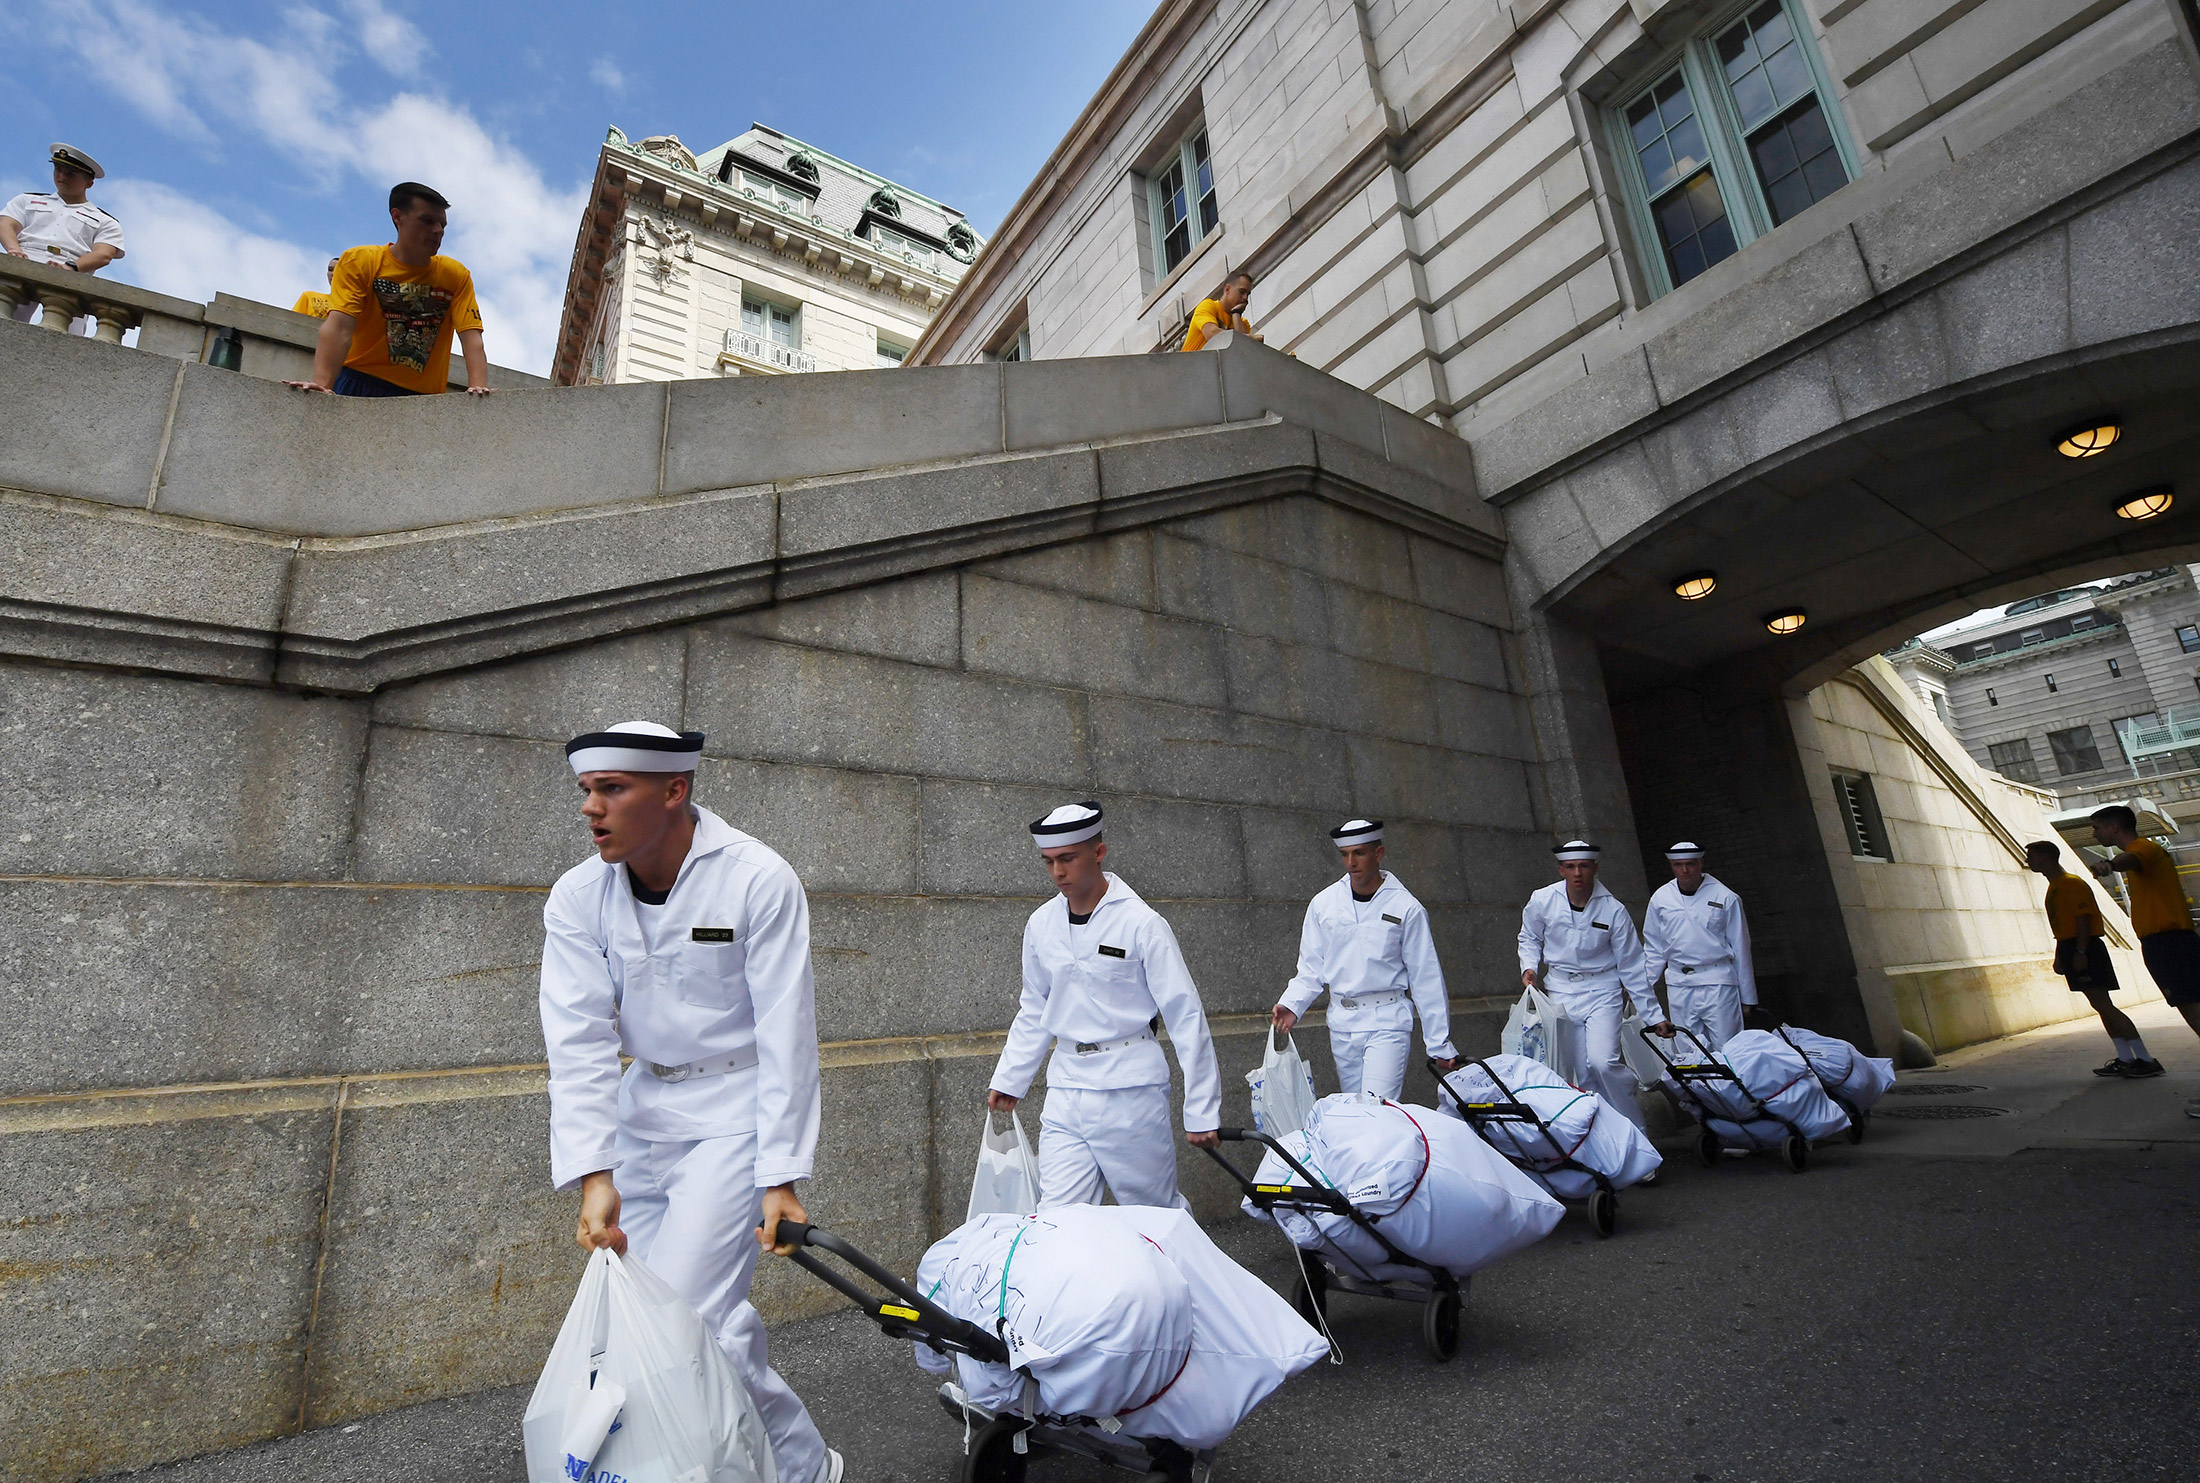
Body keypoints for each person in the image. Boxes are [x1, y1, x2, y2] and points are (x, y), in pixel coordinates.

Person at [540, 721, 840, 1483]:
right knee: (649, 1324)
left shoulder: (756, 878)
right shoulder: (578, 897)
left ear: (674, 789)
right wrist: (593, 1172)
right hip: (644, 1109)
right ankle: (801, 1466)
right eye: (587, 790)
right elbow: (575, 1040)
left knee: (687, 1325)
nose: (591, 808)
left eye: (613, 789)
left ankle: (800, 1471)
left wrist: (781, 1175)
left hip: (733, 1110)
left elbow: (786, 1034)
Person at [986, 801, 1224, 1208]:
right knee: (1057, 1219)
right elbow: (1035, 1007)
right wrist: (1011, 1077)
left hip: (1130, 1089)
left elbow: (1185, 1014)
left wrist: (1202, 1109)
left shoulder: (1141, 923)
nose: (1057, 872)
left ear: (1098, 853)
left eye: (1067, 859)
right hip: (1066, 1088)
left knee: (1154, 1216)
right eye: (1048, 862)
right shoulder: (1041, 924)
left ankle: (1181, 1273)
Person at [1270, 818, 1459, 1098]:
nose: (1351, 862)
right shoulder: (1323, 905)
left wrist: (1439, 1043)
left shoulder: (1406, 908)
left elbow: (1425, 976)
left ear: (1378, 854)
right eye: (1345, 855)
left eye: (1359, 853)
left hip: (1387, 1022)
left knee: (1376, 1113)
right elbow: (1311, 968)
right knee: (1355, 1115)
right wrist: (1292, 1004)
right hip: (1342, 1025)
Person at [1517, 840, 1673, 1174]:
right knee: (1580, 1073)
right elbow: (1529, 937)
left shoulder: (1613, 910)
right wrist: (1528, 966)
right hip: (1560, 989)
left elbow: (1632, 965)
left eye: (1584, 866)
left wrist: (1654, 1016)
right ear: (1561, 870)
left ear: (1595, 868)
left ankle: (1638, 1144)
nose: (1577, 873)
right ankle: (1600, 1147)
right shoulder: (1543, 900)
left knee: (1603, 1063)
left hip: (1603, 988)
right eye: (1570, 867)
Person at [287, 182, 490, 397]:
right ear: (398, 217)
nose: (438, 231)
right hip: (358, 379)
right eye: (427, 221)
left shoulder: (456, 275)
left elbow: (471, 338)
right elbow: (339, 326)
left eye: (442, 224)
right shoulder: (360, 261)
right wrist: (322, 384)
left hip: (422, 396)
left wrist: (478, 388)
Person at [2086, 804, 2198, 1115]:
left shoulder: (2142, 849)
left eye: (2098, 828)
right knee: (2191, 1009)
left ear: (2114, 827)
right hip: (2166, 942)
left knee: (2193, 1010)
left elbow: (2128, 860)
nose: (2094, 834)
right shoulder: (2144, 853)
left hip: (2169, 942)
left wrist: (2109, 864)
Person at [2028, 839, 2160, 1078]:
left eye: (2033, 856)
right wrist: (2062, 955)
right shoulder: (2055, 886)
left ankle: (2145, 1059)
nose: (2029, 861)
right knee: (2099, 1005)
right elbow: (2063, 925)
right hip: (2071, 946)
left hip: (2085, 947)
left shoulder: (2070, 884)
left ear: (2046, 858)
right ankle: (2126, 1057)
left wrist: (2080, 951)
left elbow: (2083, 919)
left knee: (2105, 1005)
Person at [1641, 841, 1758, 1052]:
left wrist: (1748, 997)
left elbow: (1741, 947)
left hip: (1718, 981)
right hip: (1679, 982)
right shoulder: (1661, 898)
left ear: (1701, 863)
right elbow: (1655, 947)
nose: (1684, 870)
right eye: (1678, 865)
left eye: (1690, 864)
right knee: (1688, 1050)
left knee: (1729, 1047)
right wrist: (1642, 985)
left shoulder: (1725, 897)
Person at [3, 143, 124, 332]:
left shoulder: (105, 221)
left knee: (68, 341)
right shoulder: (26, 200)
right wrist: (14, 250)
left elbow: (104, 254)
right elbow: (6, 224)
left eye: (70, 173)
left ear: (89, 182)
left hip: (72, 274)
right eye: (58, 169)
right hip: (24, 261)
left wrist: (71, 267)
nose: (61, 176)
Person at [1180, 270, 1263, 351]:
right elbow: (1213, 335)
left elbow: (1243, 349)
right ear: (1227, 289)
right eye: (1241, 292)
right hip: (1188, 363)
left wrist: (1236, 313)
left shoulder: (1243, 323)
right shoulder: (1208, 306)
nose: (1245, 298)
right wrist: (1251, 337)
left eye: (1247, 294)